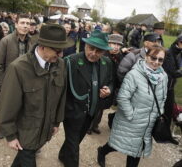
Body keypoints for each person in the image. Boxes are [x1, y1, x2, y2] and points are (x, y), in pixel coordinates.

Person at [0, 24, 73, 167]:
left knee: (24, 157)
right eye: (57, 51)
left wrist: (57, 122)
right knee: (27, 156)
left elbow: (61, 95)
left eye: (62, 51)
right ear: (42, 46)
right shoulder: (18, 68)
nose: (61, 55)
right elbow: (8, 105)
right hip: (25, 132)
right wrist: (10, 135)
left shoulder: (61, 65)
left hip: (45, 130)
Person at [97, 44, 168, 167]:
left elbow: (163, 97)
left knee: (136, 151)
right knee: (118, 144)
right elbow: (123, 97)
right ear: (146, 56)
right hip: (131, 120)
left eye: (160, 59)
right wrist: (132, 115)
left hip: (148, 123)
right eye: (153, 58)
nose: (156, 62)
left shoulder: (163, 77)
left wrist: (158, 113)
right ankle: (102, 151)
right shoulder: (134, 74)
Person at [58, 30, 114, 167]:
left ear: (104, 52)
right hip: (72, 112)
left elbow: (111, 81)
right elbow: (59, 88)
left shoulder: (107, 63)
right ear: (85, 46)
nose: (94, 53)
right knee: (73, 145)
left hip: (91, 112)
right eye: (91, 48)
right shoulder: (71, 61)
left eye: (99, 51)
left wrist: (109, 89)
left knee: (76, 140)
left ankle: (63, 154)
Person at [88, 34, 124, 134]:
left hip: (111, 86)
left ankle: (95, 125)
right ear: (108, 44)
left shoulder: (119, 56)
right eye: (113, 44)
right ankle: (89, 126)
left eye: (118, 44)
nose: (116, 47)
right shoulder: (102, 54)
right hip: (100, 85)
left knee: (102, 108)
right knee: (95, 107)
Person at [162, 34, 182, 129]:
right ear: (179, 42)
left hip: (170, 86)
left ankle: (165, 130)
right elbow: (173, 72)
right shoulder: (170, 53)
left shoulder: (178, 52)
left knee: (170, 110)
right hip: (165, 86)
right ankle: (162, 130)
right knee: (166, 110)